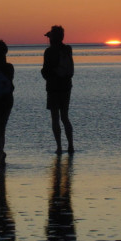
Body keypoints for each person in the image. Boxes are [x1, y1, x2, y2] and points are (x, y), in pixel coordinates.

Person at [41, 25, 74, 154]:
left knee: (55, 118)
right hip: (66, 86)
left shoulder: (49, 52)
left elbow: (46, 71)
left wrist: (44, 73)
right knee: (65, 117)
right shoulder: (67, 49)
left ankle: (59, 147)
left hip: (53, 87)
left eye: (50, 36)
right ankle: (71, 146)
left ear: (52, 38)